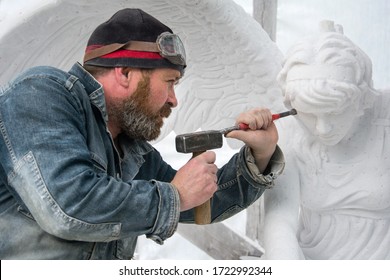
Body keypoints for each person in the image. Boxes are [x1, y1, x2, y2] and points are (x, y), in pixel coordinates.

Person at [0, 8, 284, 259]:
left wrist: (261, 155)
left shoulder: (130, 149)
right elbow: (65, 206)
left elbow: (204, 202)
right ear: (124, 74)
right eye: (170, 82)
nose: (174, 100)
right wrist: (174, 196)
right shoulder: (41, 94)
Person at [263, 24, 390, 259]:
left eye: (334, 112)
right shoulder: (288, 129)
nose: (322, 128)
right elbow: (280, 216)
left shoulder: (385, 117)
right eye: (309, 114)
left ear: (360, 100)